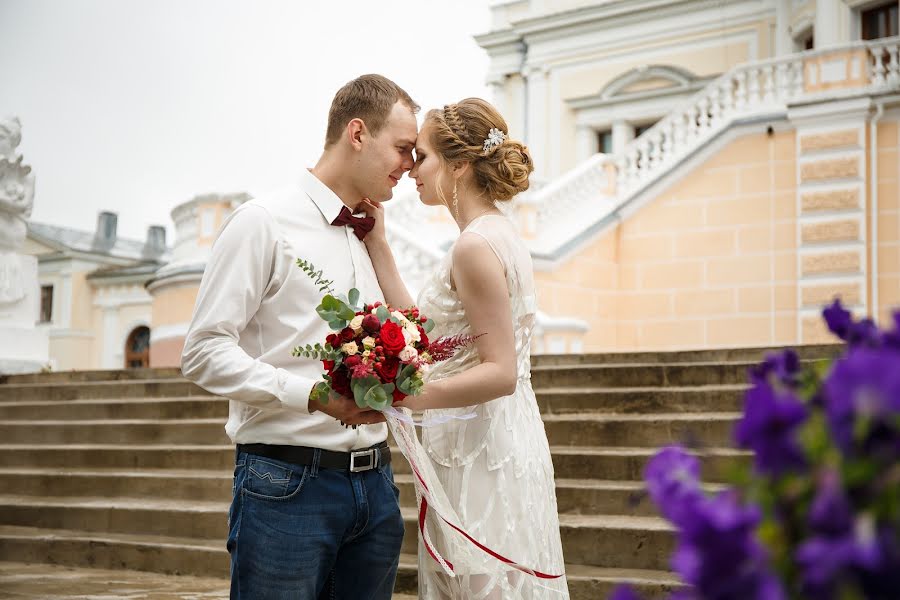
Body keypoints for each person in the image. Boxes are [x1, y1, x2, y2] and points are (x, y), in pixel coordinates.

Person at [180, 74, 418, 600]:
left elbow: (411, 338)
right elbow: (201, 352)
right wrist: (313, 396)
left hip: (376, 486)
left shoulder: (370, 234)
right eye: (404, 148)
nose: (411, 165)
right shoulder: (261, 222)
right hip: (286, 485)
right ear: (357, 133)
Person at [362, 98, 569, 599]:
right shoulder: (494, 232)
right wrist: (381, 248)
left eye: (423, 156)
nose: (411, 170)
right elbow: (438, 342)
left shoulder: (475, 246)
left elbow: (500, 372)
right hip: (491, 441)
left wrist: (405, 397)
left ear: (459, 165)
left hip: (483, 452)